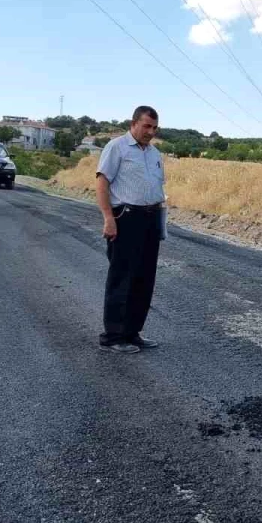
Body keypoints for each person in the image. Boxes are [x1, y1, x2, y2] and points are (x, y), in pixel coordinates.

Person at [95, 106, 166, 353]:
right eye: (147, 126)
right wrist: (108, 218)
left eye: (155, 127)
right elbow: (102, 184)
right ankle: (113, 337)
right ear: (133, 123)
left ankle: (132, 332)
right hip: (125, 218)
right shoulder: (117, 148)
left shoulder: (155, 153)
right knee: (121, 277)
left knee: (144, 279)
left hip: (150, 219)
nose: (151, 131)